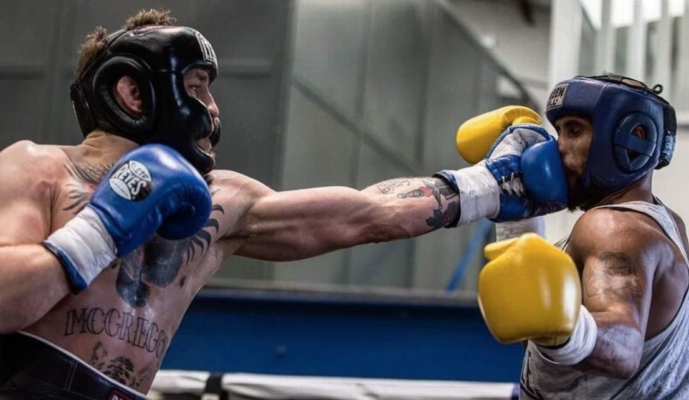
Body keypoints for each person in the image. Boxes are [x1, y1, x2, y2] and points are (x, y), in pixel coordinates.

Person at [0, 9, 565, 400]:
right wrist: (102, 227)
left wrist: (485, 186)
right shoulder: (39, 167)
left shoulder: (223, 203)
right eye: (197, 87)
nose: (215, 111)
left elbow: (363, 214)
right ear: (133, 92)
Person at [477, 73, 689, 399]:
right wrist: (518, 220)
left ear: (634, 139)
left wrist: (567, 331)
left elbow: (623, 346)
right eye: (558, 132)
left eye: (575, 131)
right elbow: (541, 338)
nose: (559, 147)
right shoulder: (666, 223)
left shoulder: (610, 228)